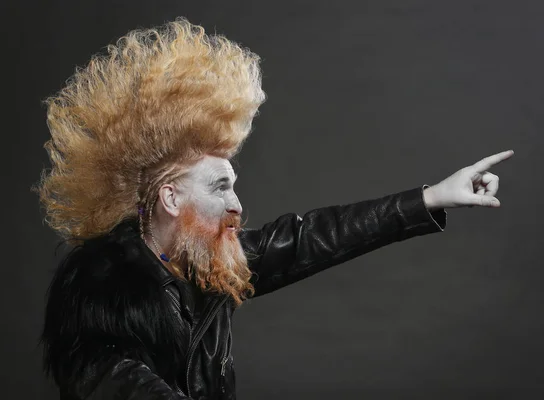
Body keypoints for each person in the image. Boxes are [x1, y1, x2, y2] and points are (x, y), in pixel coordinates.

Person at [34, 18, 514, 400]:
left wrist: (431, 196)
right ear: (171, 197)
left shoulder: (209, 264)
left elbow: (314, 237)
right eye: (220, 187)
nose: (237, 204)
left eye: (234, 185)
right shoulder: (98, 294)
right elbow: (114, 380)